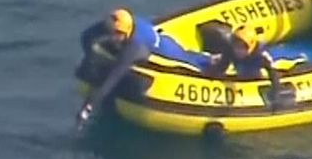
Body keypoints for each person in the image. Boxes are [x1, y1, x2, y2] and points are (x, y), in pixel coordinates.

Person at [76, 8, 205, 130]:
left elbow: (116, 74)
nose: (114, 37)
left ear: (127, 31)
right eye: (111, 32)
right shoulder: (113, 24)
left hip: (166, 50)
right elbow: (86, 37)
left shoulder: (135, 47)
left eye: (119, 34)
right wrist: (91, 59)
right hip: (150, 35)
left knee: (190, 61)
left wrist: (89, 105)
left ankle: (209, 59)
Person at [201, 25, 282, 105]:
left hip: (255, 76)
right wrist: (209, 75)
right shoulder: (230, 50)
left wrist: (275, 91)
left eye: (242, 47)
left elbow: (273, 73)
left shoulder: (260, 56)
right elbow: (222, 66)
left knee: (251, 71)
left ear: (250, 46)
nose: (238, 51)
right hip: (242, 73)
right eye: (236, 46)